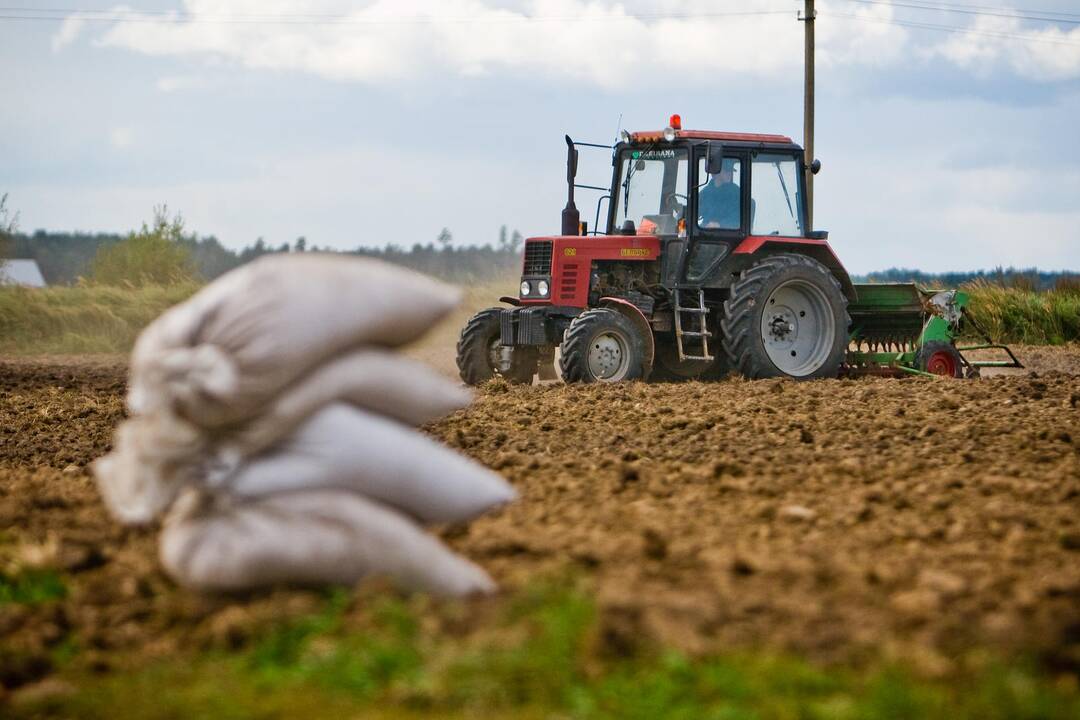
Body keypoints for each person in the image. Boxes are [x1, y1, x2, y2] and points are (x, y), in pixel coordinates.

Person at [697, 158, 740, 229]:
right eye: (726, 170)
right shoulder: (706, 192)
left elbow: (738, 220)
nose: (729, 173)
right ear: (714, 173)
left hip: (727, 235)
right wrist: (682, 211)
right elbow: (696, 210)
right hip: (706, 232)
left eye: (730, 171)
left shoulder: (736, 193)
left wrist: (719, 225)